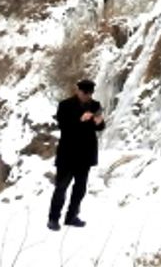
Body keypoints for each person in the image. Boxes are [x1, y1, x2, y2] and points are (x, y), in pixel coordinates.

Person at [47, 78, 105, 230]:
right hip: (68, 153)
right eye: (85, 92)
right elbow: (64, 126)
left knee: (80, 188)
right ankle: (53, 219)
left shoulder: (95, 105)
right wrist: (80, 119)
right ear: (78, 91)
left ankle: (71, 216)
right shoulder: (65, 105)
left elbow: (99, 127)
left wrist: (99, 122)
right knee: (61, 187)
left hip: (86, 154)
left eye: (90, 93)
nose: (87, 95)